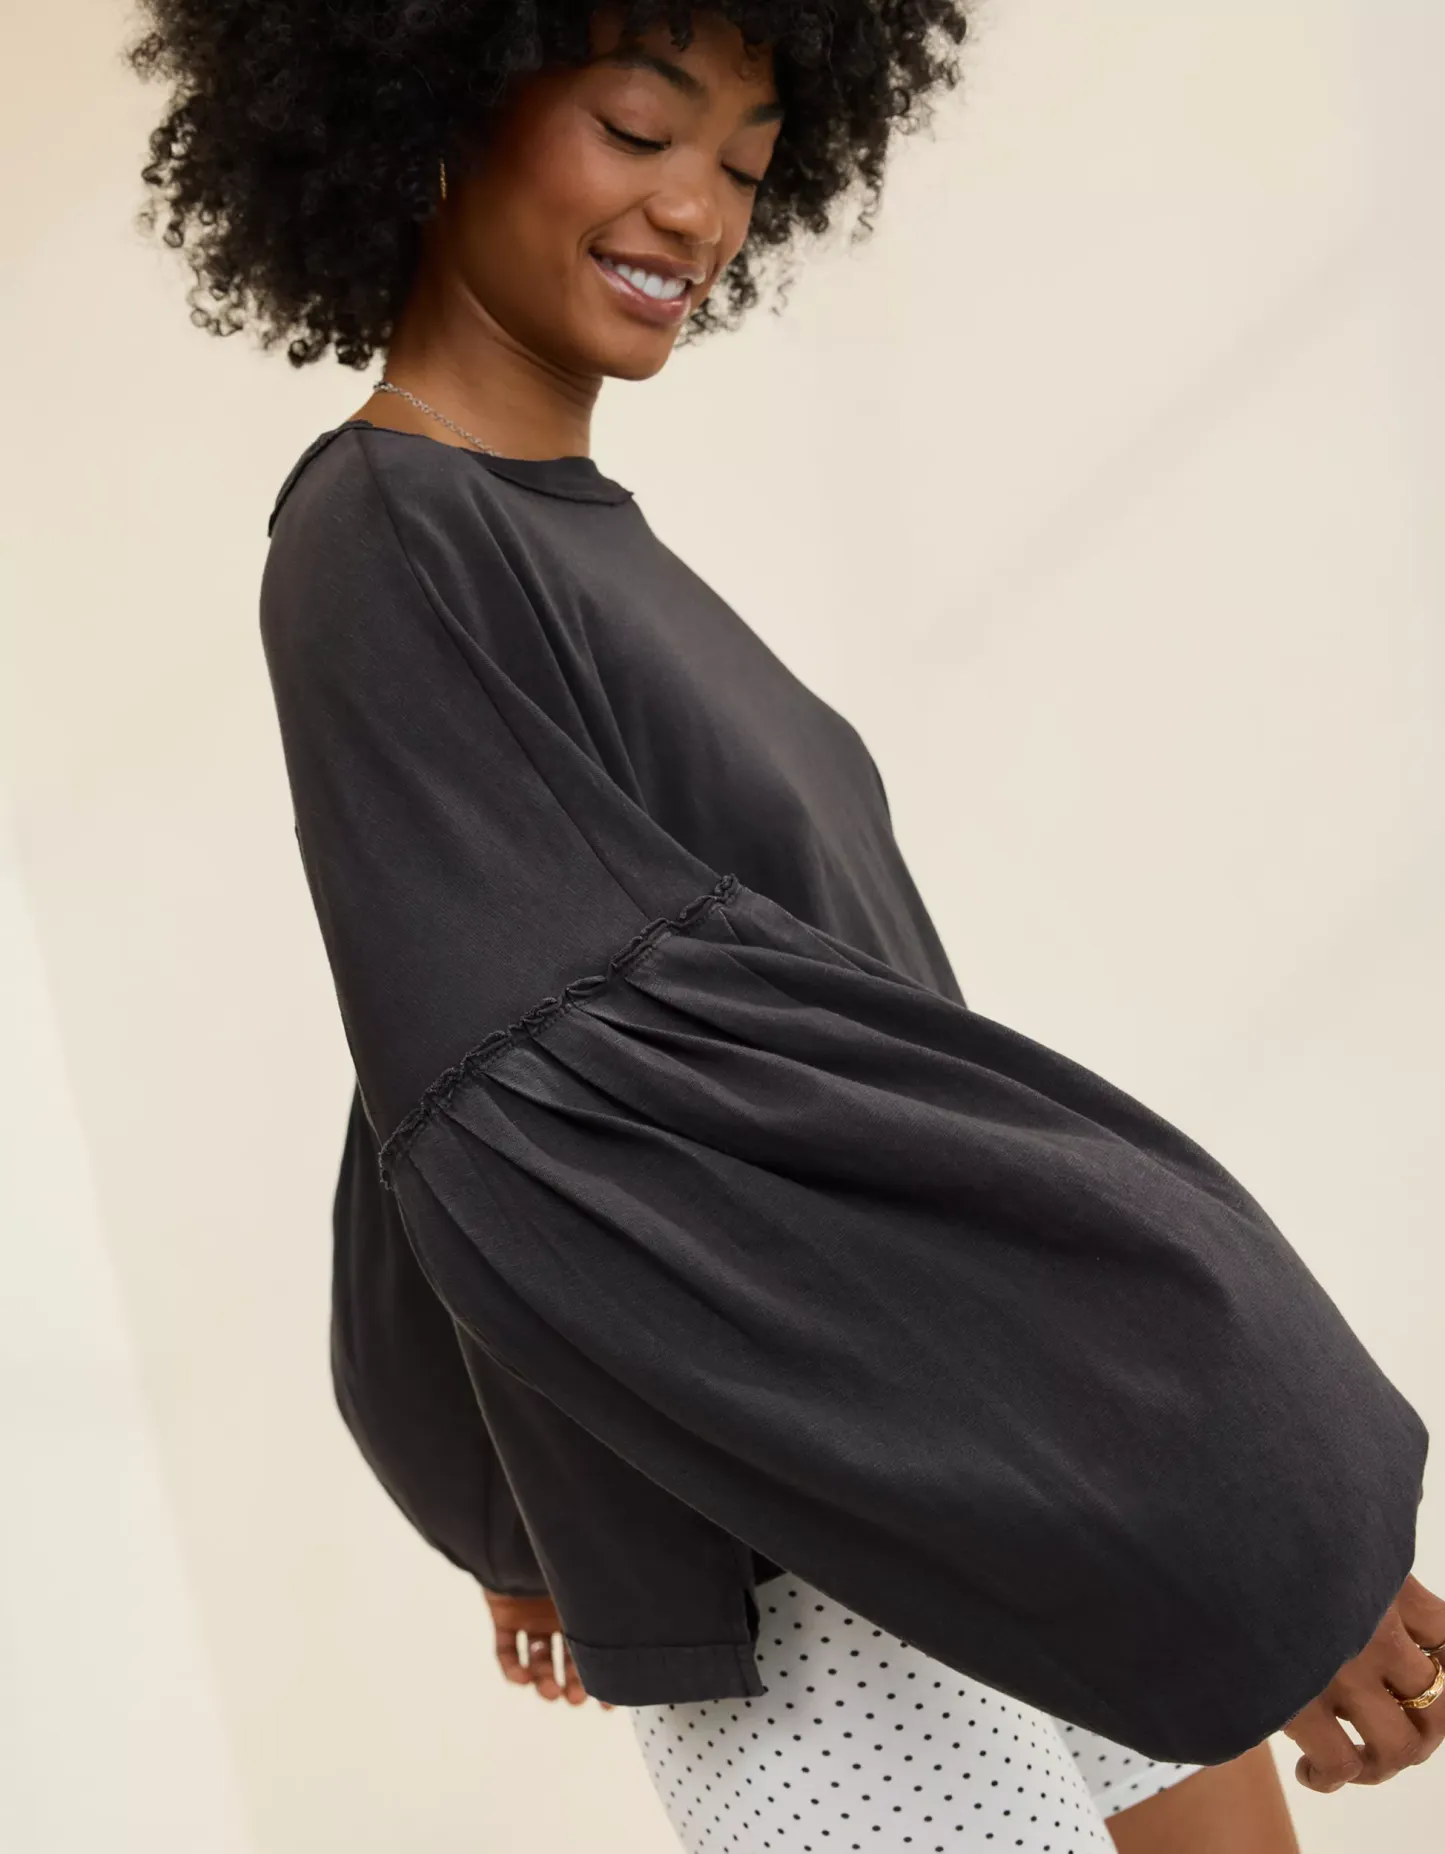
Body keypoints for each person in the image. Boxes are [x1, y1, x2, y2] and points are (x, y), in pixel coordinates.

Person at [128, 5, 1443, 1850]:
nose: (698, 211)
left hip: (997, 1429)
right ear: (435, 114)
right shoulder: (387, 535)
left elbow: (524, 1035)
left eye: (745, 164)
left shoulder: (580, 539)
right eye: (637, 129)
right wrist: (1218, 1489)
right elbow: (510, 1088)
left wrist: (1171, 1476)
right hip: (814, 1506)